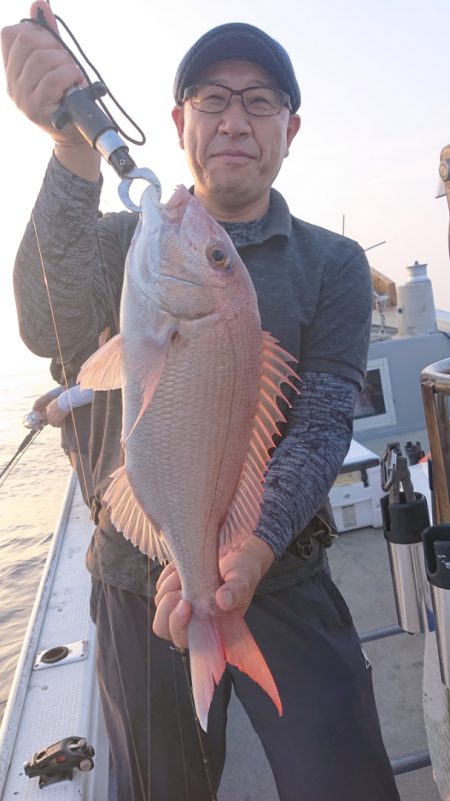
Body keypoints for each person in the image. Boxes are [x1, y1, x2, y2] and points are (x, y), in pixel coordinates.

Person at [2, 5, 401, 801]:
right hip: (129, 576)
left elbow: (321, 419)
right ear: (178, 121)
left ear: (292, 130)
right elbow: (50, 324)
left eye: (261, 101)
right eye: (212, 98)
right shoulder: (130, 240)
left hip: (279, 570)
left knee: (345, 781)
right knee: (163, 790)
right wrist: (70, 152)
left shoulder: (334, 262)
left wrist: (244, 553)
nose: (235, 119)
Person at [32, 378, 94, 505]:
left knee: (104, 505)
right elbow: (79, 378)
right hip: (75, 439)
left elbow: (118, 379)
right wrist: (53, 395)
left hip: (97, 440)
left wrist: (64, 402)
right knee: (94, 503)